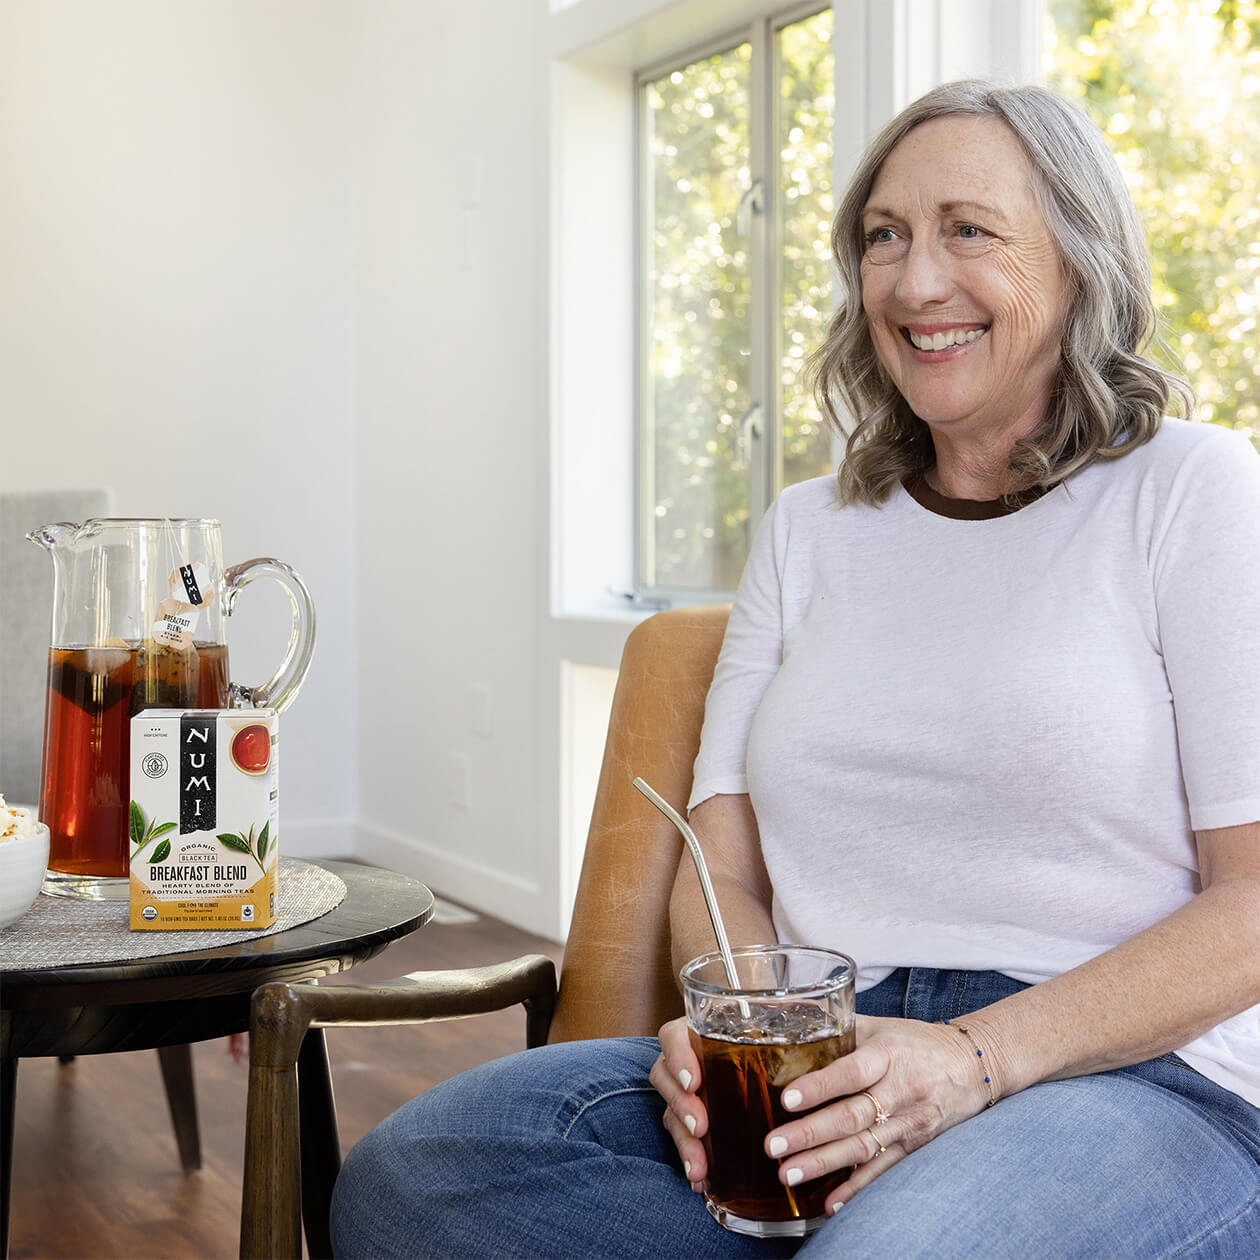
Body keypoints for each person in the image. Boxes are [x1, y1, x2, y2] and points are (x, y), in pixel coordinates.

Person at [330, 80, 1260, 1259]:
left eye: (969, 229)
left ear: (1079, 260)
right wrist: (735, 1031)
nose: (917, 282)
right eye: (885, 236)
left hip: (1128, 1075)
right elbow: (720, 859)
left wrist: (975, 1062)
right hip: (823, 1054)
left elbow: (1253, 906)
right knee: (418, 1180)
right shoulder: (810, 529)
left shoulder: (1193, 490)